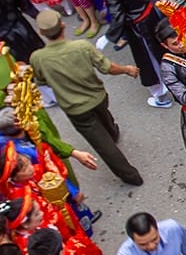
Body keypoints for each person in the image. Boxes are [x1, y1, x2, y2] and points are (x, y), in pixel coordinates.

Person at [29, 9, 144, 186]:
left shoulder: (38, 58)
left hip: (75, 108)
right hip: (97, 96)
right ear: (63, 25)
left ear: (41, 32)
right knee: (104, 116)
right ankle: (112, 133)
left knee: (103, 145)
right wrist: (126, 69)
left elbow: (41, 80)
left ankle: (130, 176)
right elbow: (107, 68)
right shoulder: (82, 46)